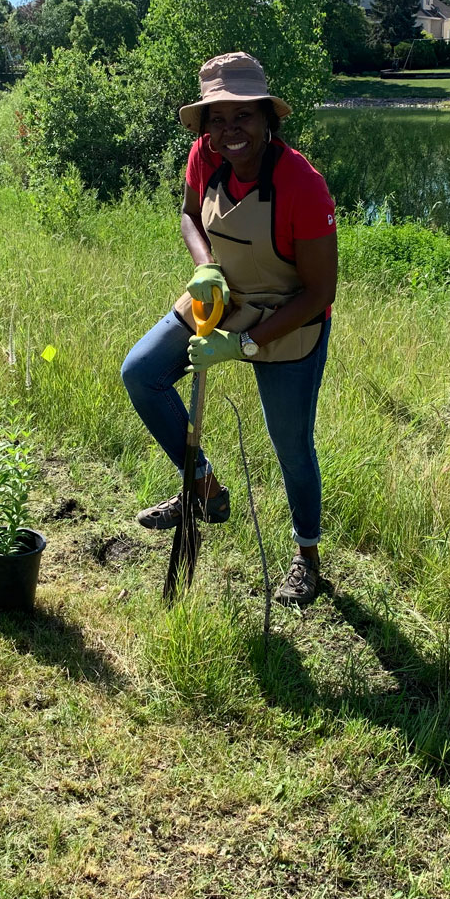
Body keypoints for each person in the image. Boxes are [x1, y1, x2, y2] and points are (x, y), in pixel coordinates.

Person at [121, 52, 337, 608]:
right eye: (216, 117)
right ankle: (204, 490)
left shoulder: (302, 185)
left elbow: (320, 295)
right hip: (223, 293)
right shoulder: (204, 155)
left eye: (241, 115)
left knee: (290, 446)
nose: (227, 129)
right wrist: (204, 266)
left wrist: (242, 344)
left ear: (268, 118)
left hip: (291, 317)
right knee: (142, 372)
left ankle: (307, 558)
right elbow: (192, 216)